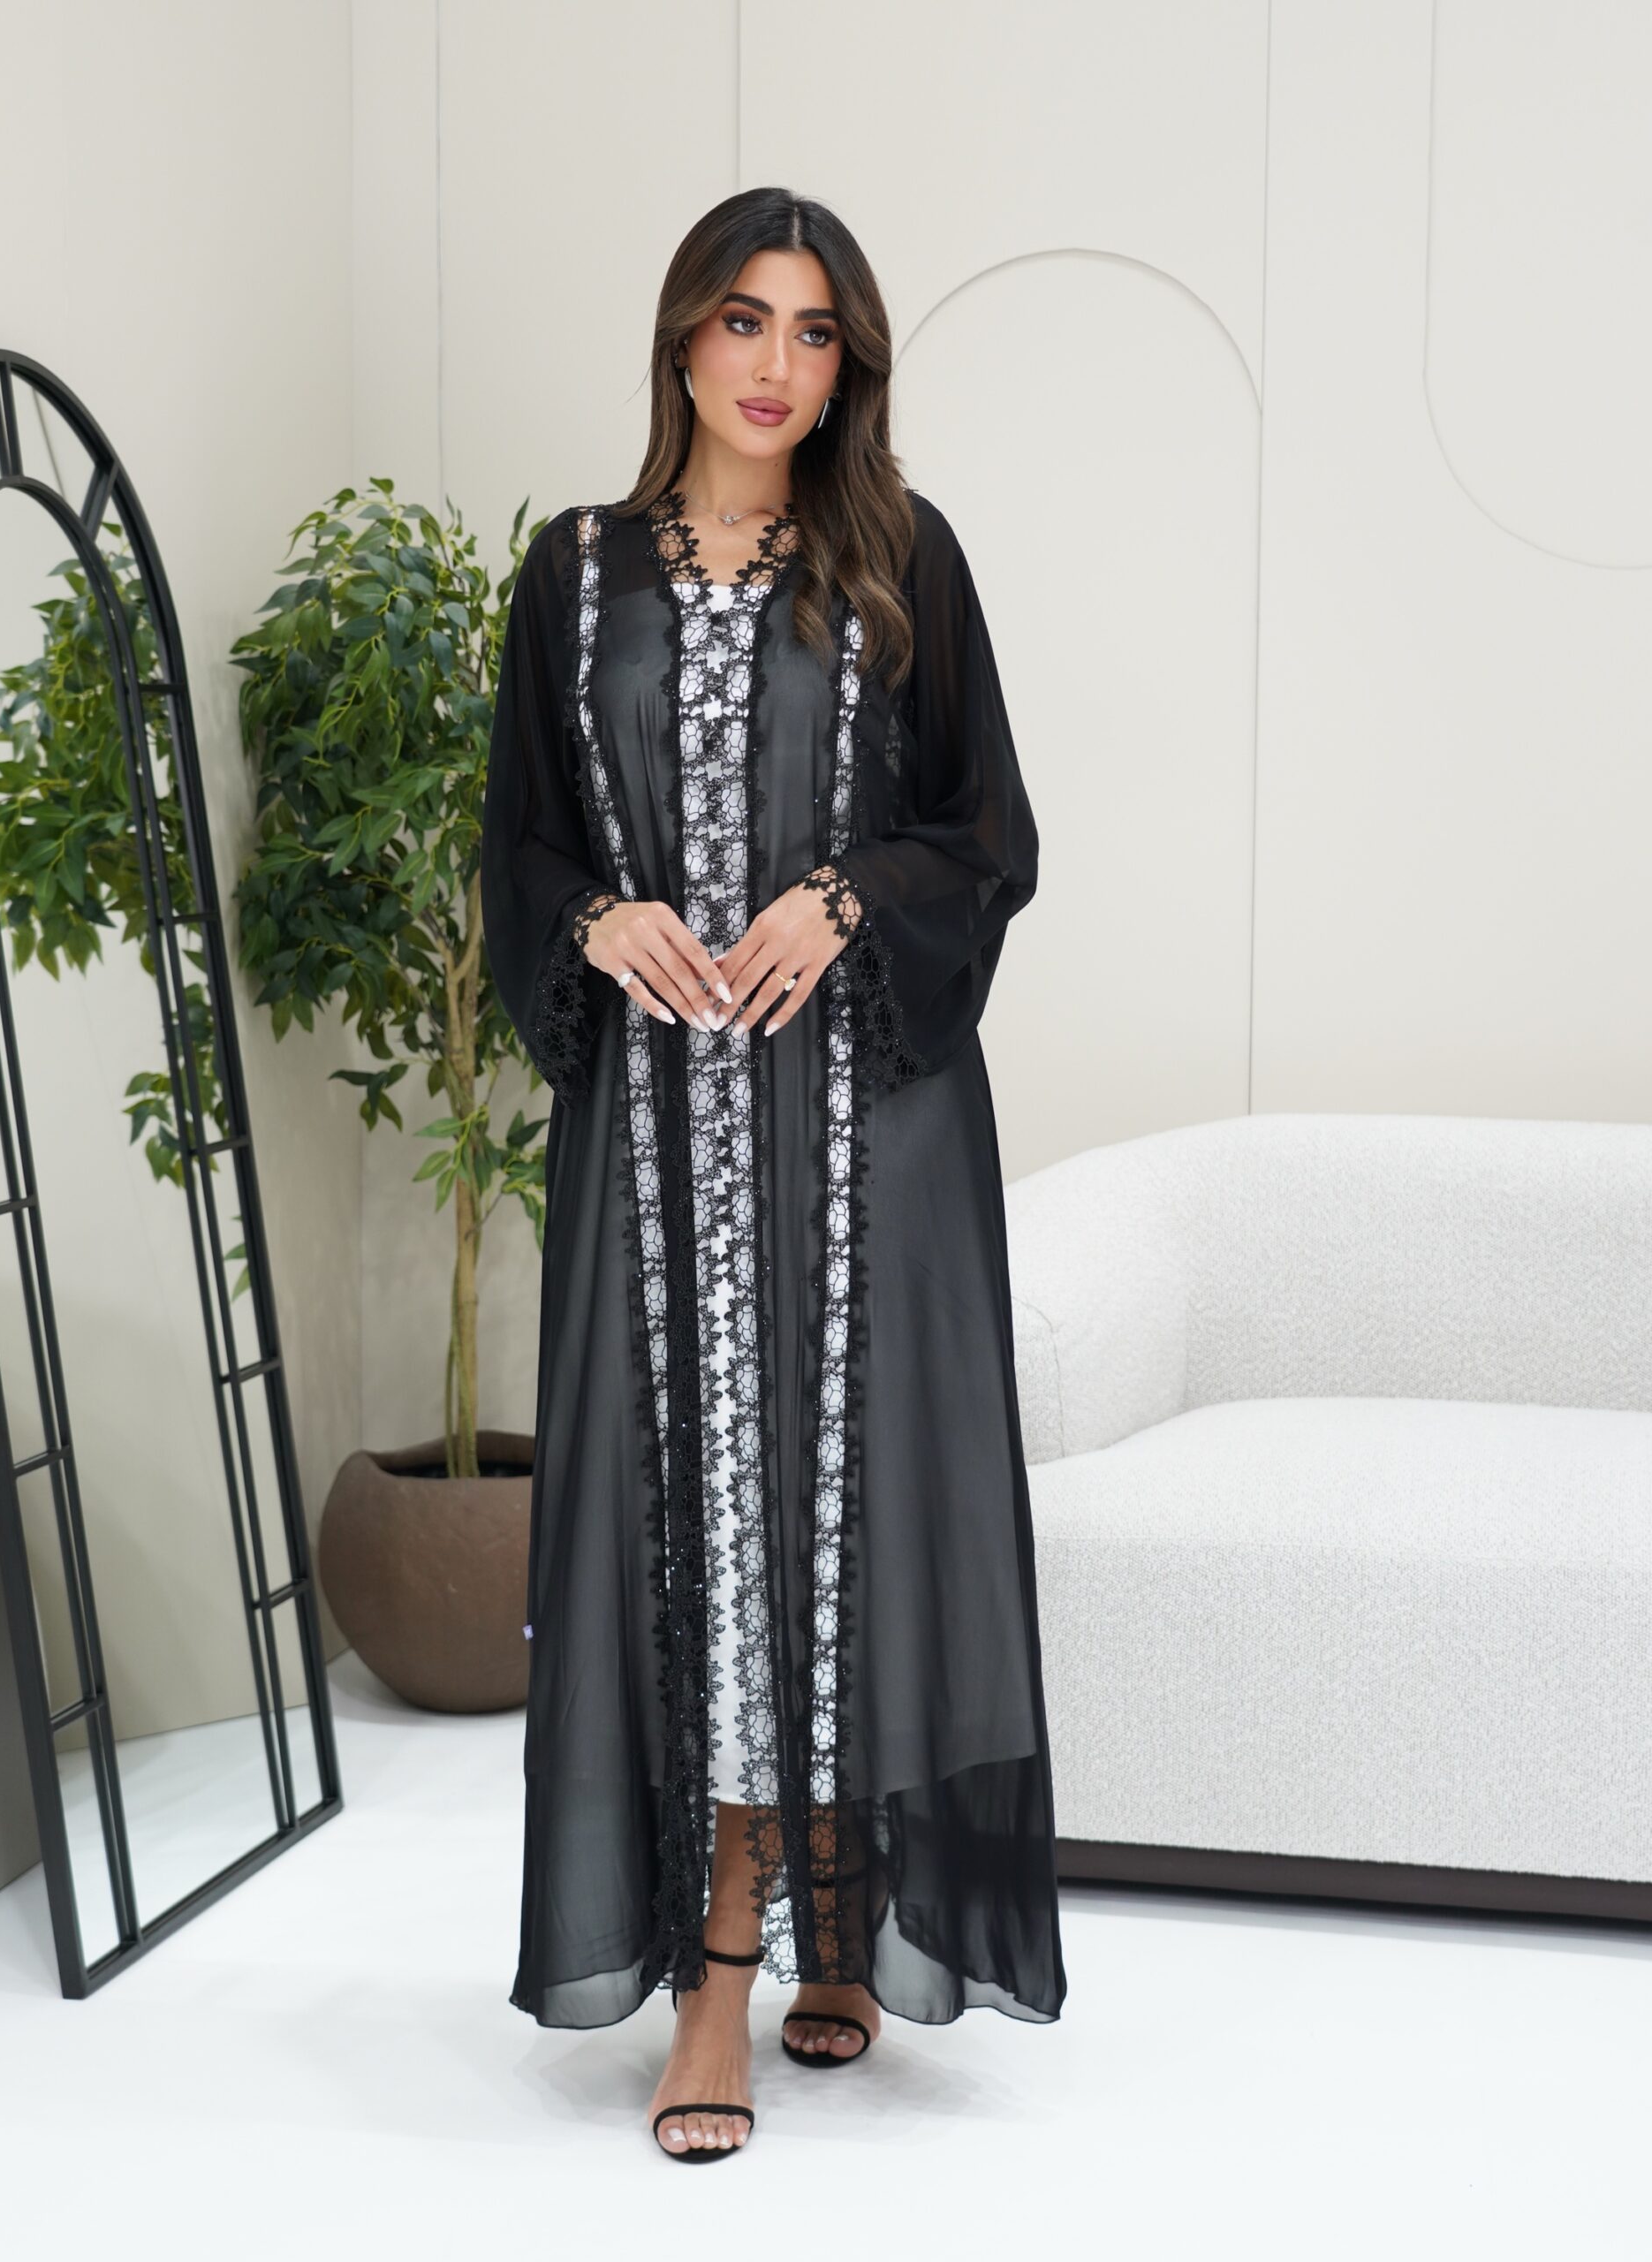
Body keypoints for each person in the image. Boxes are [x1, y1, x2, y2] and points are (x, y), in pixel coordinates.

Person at [480, 185, 1066, 2164]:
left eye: (816, 334)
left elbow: (989, 832)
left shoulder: (901, 559)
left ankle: (842, 1912)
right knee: (700, 1529)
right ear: (682, 336)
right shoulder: (574, 576)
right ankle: (712, 1976)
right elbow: (520, 846)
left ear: (847, 367)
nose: (776, 365)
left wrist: (845, 895)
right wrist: (596, 923)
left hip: (868, 1132)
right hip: (660, 1146)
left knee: (846, 1513)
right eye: (745, 320)